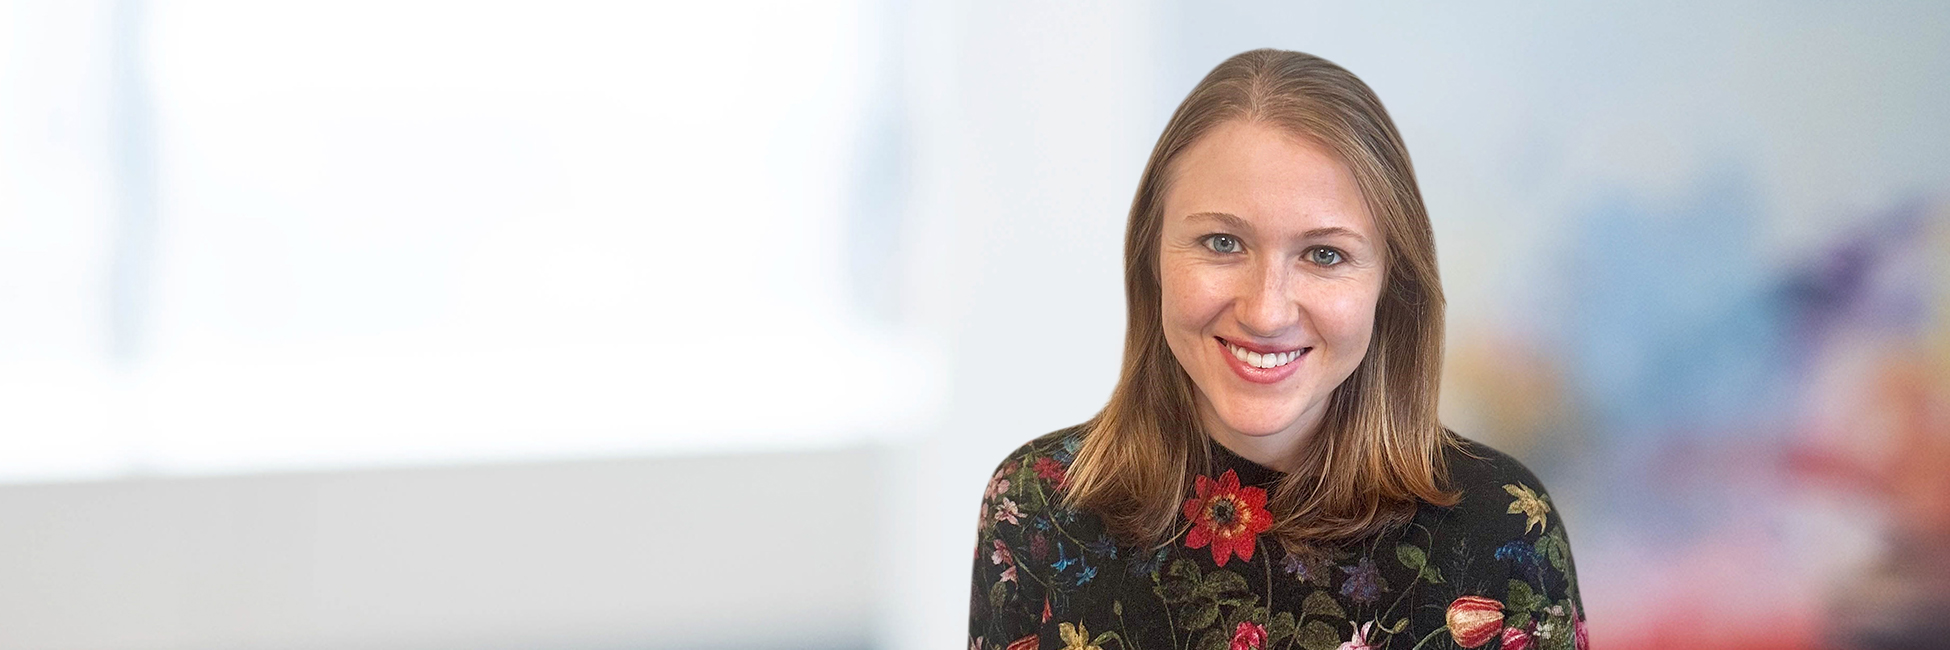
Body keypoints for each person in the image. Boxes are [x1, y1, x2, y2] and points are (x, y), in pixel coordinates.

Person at [968, 49, 1586, 650]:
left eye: (1324, 255)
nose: (1266, 311)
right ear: (1151, 258)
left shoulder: (1501, 528)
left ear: (1390, 285)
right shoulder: (1038, 507)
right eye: (1221, 243)